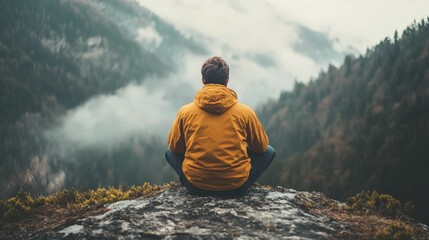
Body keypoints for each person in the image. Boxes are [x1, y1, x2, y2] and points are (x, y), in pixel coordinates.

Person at [165, 56, 275, 196]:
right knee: (269, 151)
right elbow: (261, 147)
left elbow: (175, 148)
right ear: (227, 80)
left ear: (203, 80)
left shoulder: (185, 112)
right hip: (236, 187)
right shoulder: (245, 112)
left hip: (195, 186)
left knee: (169, 153)